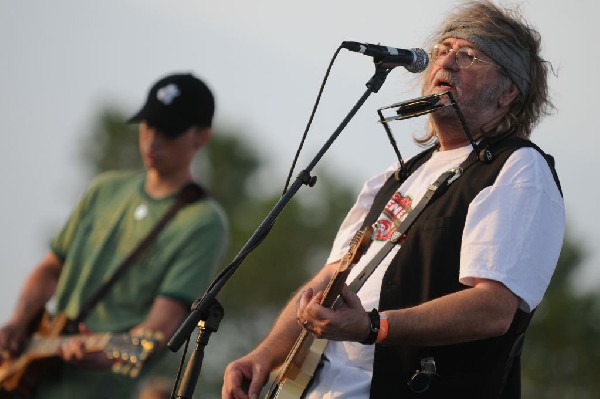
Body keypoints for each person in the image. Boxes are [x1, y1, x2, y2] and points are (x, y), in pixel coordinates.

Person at [222, 1, 565, 398]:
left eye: (469, 55)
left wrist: (374, 326)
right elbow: (329, 279)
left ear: (508, 93)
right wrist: (264, 356)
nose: (446, 62)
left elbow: (493, 308)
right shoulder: (395, 175)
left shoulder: (519, 170)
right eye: (442, 49)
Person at [0, 72, 229, 398]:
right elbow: (52, 267)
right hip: (25, 377)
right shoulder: (104, 188)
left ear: (201, 137)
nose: (153, 139)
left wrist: (105, 354)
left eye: (169, 130)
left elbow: (161, 327)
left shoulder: (203, 222)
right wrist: (18, 322)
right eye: (149, 125)